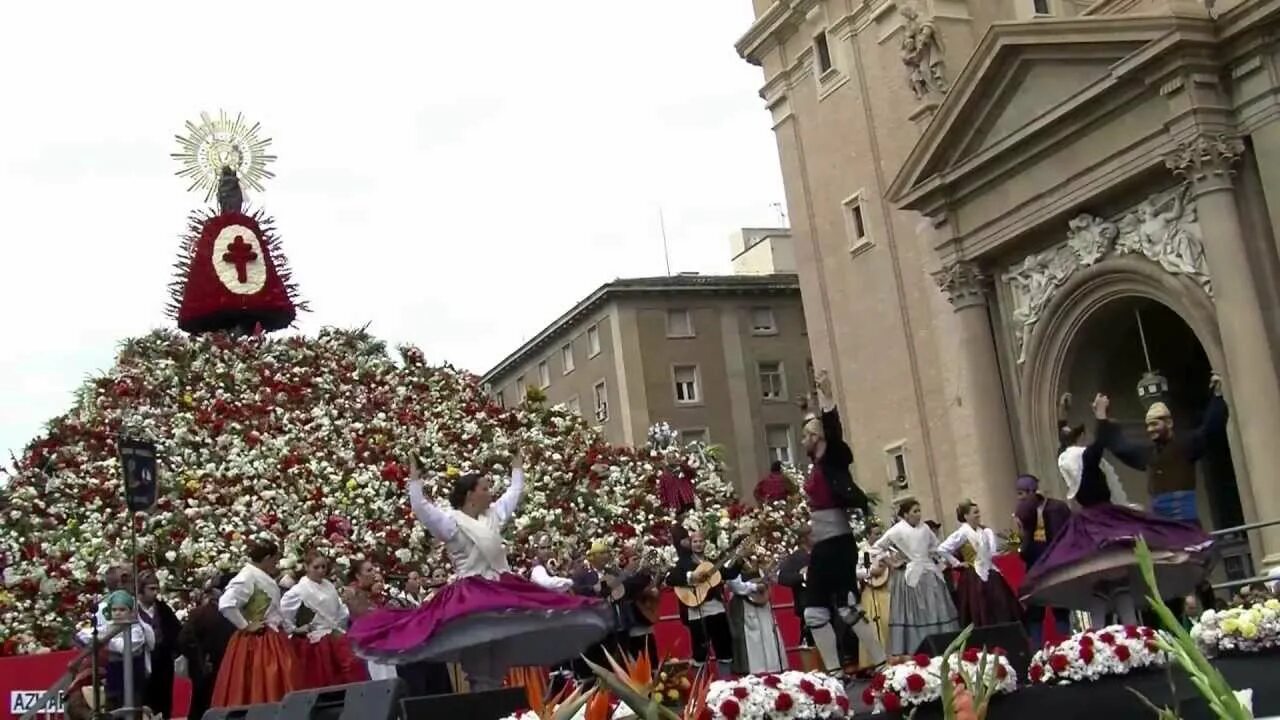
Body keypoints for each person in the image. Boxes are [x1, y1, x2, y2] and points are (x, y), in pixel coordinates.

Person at [347, 452, 613, 691]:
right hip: (471, 596)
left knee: (497, 661)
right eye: (485, 488)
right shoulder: (451, 522)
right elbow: (422, 509)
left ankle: (490, 702)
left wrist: (517, 468)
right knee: (478, 663)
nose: (490, 492)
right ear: (470, 494)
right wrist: (414, 480)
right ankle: (481, 702)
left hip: (500, 590)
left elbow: (514, 492)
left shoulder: (493, 515)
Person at [1021, 393, 1215, 629]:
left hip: (1088, 530)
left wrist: (1062, 415)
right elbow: (1100, 444)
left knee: (1106, 588)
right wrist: (1101, 416)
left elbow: (1066, 443)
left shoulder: (1068, 464)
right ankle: (1127, 632)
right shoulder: (1088, 465)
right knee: (1117, 581)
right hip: (1107, 526)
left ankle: (1108, 634)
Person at [798, 370, 885, 670]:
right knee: (814, 615)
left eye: (807, 435)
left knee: (848, 608)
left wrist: (827, 397)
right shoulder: (816, 467)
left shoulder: (832, 458)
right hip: (824, 545)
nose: (802, 441)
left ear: (817, 438)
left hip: (837, 544)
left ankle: (883, 664)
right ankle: (834, 673)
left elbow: (833, 430)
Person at [1106, 374, 1228, 525]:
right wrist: (1104, 421)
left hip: (1186, 525)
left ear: (1169, 423)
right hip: (1162, 528)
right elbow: (1122, 448)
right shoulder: (1150, 454)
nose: (1151, 429)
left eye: (1155, 424)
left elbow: (1211, 428)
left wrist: (1217, 396)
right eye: (1148, 425)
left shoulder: (1187, 445)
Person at [212, 539, 299, 708]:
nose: (277, 564)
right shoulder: (247, 577)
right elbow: (226, 603)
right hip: (258, 641)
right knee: (260, 681)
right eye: (275, 560)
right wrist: (245, 625)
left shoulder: (257, 576)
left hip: (271, 638)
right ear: (266, 558)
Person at [873, 497, 960, 655]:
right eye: (915, 511)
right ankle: (917, 647)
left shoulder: (925, 528)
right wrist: (892, 562)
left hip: (929, 573)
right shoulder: (897, 530)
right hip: (910, 575)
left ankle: (942, 644)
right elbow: (876, 548)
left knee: (936, 608)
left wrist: (948, 561)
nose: (919, 514)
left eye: (919, 511)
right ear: (905, 514)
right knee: (914, 611)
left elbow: (936, 547)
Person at [281, 551, 368, 689]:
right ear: (306, 567)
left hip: (334, 635)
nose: (321, 571)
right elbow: (284, 613)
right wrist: (294, 629)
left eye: (324, 567)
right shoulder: (299, 590)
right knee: (322, 677)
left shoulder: (329, 586)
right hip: (314, 642)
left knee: (351, 668)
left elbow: (339, 611)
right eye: (316, 567)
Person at [666, 530, 739, 678]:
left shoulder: (712, 560)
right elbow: (671, 579)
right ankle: (700, 688)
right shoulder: (685, 561)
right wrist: (691, 576)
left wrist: (740, 558)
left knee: (723, 646)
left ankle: (725, 683)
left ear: (705, 543)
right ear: (691, 544)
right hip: (697, 610)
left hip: (716, 608)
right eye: (695, 542)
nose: (698, 544)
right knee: (700, 650)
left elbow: (728, 573)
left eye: (701, 541)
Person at [938, 500, 1022, 627]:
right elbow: (942, 549)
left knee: (1001, 605)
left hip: (990, 572)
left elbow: (994, 551)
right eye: (975, 512)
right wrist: (957, 563)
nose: (978, 515)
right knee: (979, 608)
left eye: (978, 512)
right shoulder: (962, 533)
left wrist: (1013, 541)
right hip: (973, 575)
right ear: (966, 516)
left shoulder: (984, 531)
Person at [1013, 474, 1072, 646]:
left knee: (1060, 607)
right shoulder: (1025, 511)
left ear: (1030, 491)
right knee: (1035, 609)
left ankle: (1065, 647)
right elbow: (1021, 539)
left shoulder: (1057, 508)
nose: (1019, 498)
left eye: (1020, 493)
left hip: (1053, 563)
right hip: (1035, 564)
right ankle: (1037, 651)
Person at [78, 590, 155, 713]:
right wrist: (99, 637)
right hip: (114, 680)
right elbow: (84, 635)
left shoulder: (137, 630)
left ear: (130, 611)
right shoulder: (109, 627)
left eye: (122, 610)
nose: (118, 613)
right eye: (114, 610)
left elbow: (125, 647)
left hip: (133, 681)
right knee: (112, 710)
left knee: (132, 712)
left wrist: (105, 641)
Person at [178, 572, 236, 720]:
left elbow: (184, 641)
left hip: (218, 668)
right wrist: (201, 659)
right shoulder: (204, 613)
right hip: (209, 670)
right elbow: (184, 640)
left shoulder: (205, 613)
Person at [726, 557, 785, 674]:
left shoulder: (758, 558)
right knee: (750, 637)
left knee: (768, 632)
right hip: (744, 606)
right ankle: (753, 671)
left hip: (762, 603)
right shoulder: (732, 562)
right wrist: (755, 587)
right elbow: (735, 585)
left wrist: (767, 581)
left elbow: (770, 577)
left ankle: (773, 668)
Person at [135, 570, 181, 719]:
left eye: (156, 589)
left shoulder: (163, 609)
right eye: (151, 589)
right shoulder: (132, 610)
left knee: (163, 701)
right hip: (141, 663)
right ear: (141, 589)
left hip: (163, 663)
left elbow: (176, 631)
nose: (155, 593)